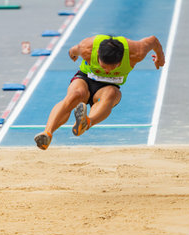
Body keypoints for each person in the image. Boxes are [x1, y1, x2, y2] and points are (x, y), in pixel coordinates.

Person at [34, 34, 165, 150]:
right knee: (75, 95)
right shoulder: (86, 48)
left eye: (113, 67)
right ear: (96, 54)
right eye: (103, 66)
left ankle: (86, 123)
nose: (107, 71)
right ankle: (47, 133)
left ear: (121, 59)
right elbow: (72, 50)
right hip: (85, 78)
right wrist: (73, 54)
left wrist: (161, 58)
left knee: (111, 94)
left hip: (109, 86)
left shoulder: (136, 52)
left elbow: (154, 41)